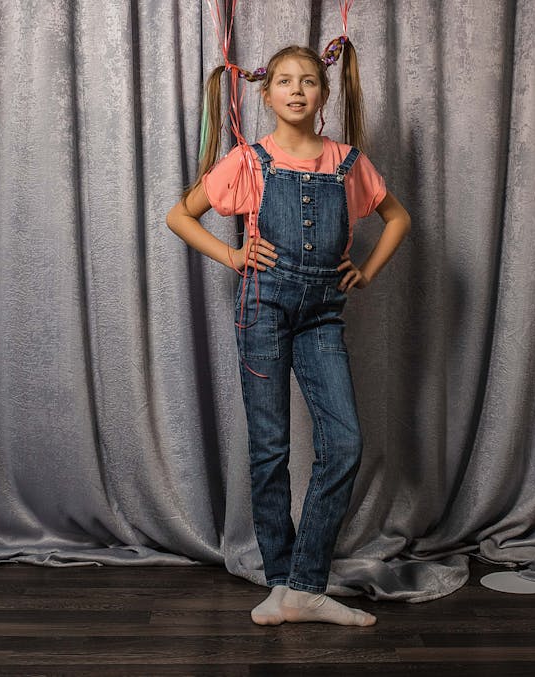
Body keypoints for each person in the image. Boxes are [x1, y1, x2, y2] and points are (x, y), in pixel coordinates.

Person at [166, 39, 410, 627]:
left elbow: (397, 217)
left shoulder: (348, 162)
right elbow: (180, 214)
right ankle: (282, 583)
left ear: (324, 94)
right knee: (270, 448)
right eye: (285, 81)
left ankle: (304, 583)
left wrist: (366, 270)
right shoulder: (250, 161)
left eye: (308, 81)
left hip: (324, 314)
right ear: (266, 94)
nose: (297, 89)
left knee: (344, 442)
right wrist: (233, 256)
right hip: (264, 309)